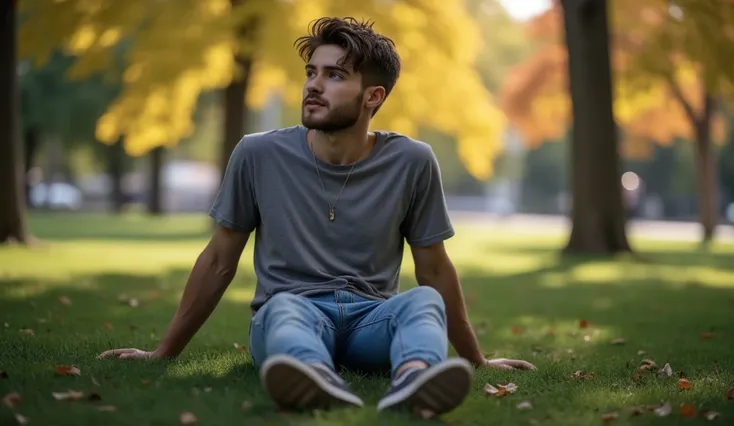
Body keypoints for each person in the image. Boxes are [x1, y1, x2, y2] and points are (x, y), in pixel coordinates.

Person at [97, 16, 536, 417]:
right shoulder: (258, 154)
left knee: (423, 302)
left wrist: (476, 360)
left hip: (372, 321)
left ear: (373, 96)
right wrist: (163, 353)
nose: (313, 85)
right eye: (311, 72)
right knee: (284, 309)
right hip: (292, 314)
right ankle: (312, 377)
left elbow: (435, 268)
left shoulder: (412, 161)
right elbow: (218, 259)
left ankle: (417, 379)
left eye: (334, 75)